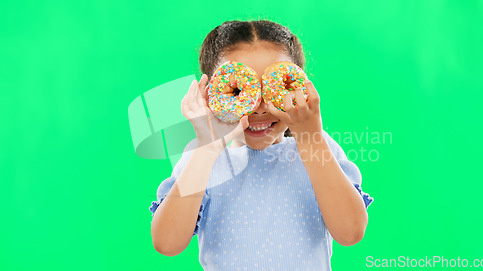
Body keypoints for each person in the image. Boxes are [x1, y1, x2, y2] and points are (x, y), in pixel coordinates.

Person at [149, 20, 374, 270]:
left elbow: (351, 232)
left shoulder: (318, 147)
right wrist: (207, 149)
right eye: (238, 91)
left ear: (300, 87)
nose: (258, 108)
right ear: (209, 94)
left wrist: (311, 138)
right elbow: (167, 243)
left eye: (273, 89)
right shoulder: (201, 159)